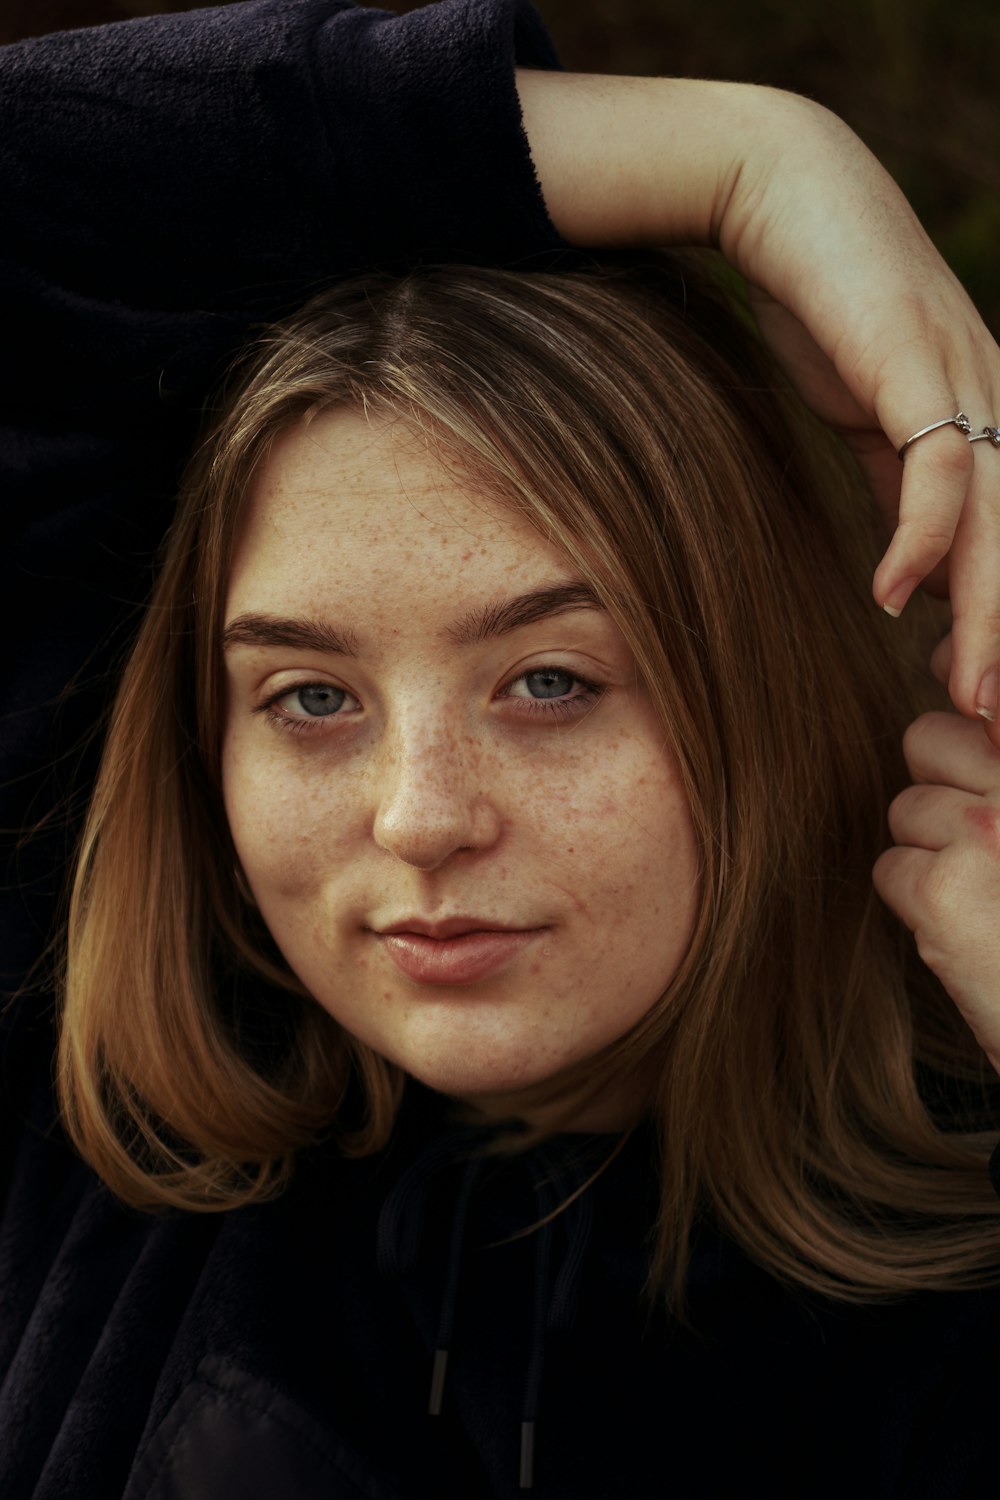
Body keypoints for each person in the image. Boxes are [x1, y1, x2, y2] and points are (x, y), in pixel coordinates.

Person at [4, 3, 1000, 1498]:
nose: (421, 820)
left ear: (760, 685)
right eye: (310, 698)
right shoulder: (104, 1144)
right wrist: (750, 158)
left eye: (546, 679)